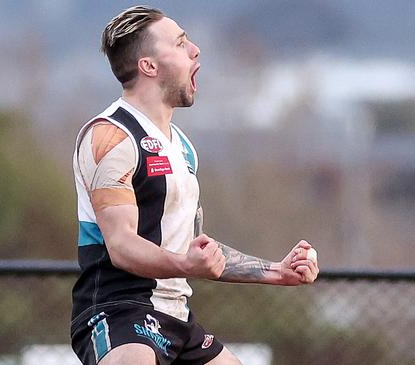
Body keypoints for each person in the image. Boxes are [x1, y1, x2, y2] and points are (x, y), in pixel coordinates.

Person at [71, 5, 319, 365]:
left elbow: (191, 247)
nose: (195, 50)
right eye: (180, 42)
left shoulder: (182, 148)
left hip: (177, 317)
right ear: (149, 66)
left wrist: (276, 271)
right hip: (118, 311)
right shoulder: (110, 136)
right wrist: (187, 265)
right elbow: (121, 246)